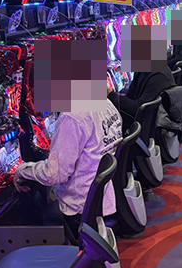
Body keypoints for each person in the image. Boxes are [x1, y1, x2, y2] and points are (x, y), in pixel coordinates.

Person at [14, 99, 123, 241]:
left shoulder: (72, 116)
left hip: (80, 208)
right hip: (105, 198)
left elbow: (54, 174)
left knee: (29, 206)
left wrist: (22, 170)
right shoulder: (105, 102)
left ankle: (55, 252)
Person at [108, 70, 175, 131]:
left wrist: (112, 95)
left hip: (145, 125)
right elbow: (130, 96)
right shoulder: (142, 71)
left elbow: (138, 109)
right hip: (140, 120)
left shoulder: (158, 77)